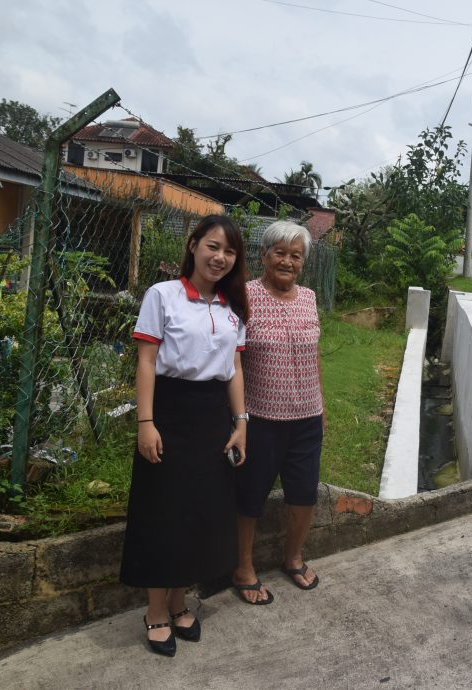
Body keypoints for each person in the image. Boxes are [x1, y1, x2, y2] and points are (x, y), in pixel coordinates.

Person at [120, 215, 250, 657]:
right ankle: (156, 610)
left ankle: (179, 603)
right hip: (170, 413)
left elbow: (234, 368)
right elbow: (146, 360)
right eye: (212, 247)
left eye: (229, 251)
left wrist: (240, 423)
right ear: (193, 246)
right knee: (164, 512)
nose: (220, 258)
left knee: (198, 513)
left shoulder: (233, 307)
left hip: (212, 417)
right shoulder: (164, 295)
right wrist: (146, 422)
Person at [231, 220, 325, 604]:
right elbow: (233, 361)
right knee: (250, 495)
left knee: (303, 493)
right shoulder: (244, 296)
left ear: (303, 262)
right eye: (280, 253)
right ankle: (243, 567)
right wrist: (238, 418)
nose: (288, 261)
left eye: (296, 255)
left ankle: (293, 558)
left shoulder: (309, 298)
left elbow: (314, 353)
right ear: (264, 255)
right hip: (260, 417)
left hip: (307, 416)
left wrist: (322, 407)